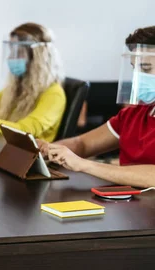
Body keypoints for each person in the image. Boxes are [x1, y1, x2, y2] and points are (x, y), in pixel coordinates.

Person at [39, 26, 155, 188]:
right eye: (134, 68)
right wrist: (48, 149)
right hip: (128, 204)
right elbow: (83, 144)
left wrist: (85, 165)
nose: (137, 77)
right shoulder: (133, 114)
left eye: (145, 69)